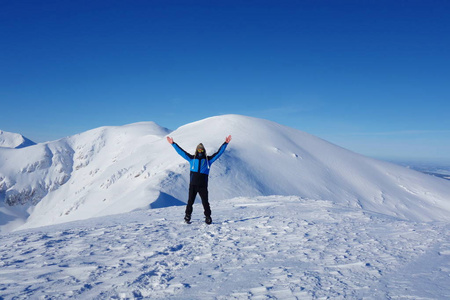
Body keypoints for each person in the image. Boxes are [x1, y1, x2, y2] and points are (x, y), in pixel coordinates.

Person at [167, 135, 232, 224]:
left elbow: (218, 153)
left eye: (201, 150)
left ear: (204, 150)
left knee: (205, 202)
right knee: (190, 202)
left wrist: (226, 143)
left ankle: (208, 217)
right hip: (193, 185)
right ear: (196, 150)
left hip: (203, 185)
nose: (200, 151)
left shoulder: (208, 160)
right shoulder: (191, 158)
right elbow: (181, 152)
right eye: (199, 150)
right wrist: (173, 144)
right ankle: (187, 216)